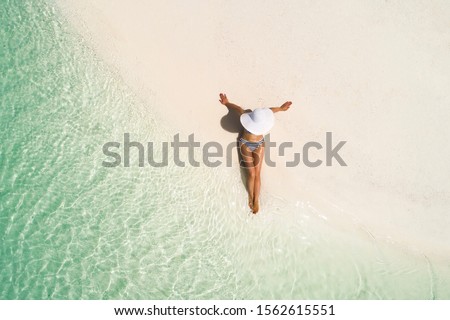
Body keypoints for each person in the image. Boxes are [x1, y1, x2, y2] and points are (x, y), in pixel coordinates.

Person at [219, 93, 292, 213]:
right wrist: (227, 103)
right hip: (245, 144)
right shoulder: (245, 114)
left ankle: (256, 200)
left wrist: (281, 108)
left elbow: (271, 111)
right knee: (252, 174)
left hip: (259, 144)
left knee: (257, 173)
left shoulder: (257, 116)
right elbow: (237, 108)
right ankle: (250, 196)